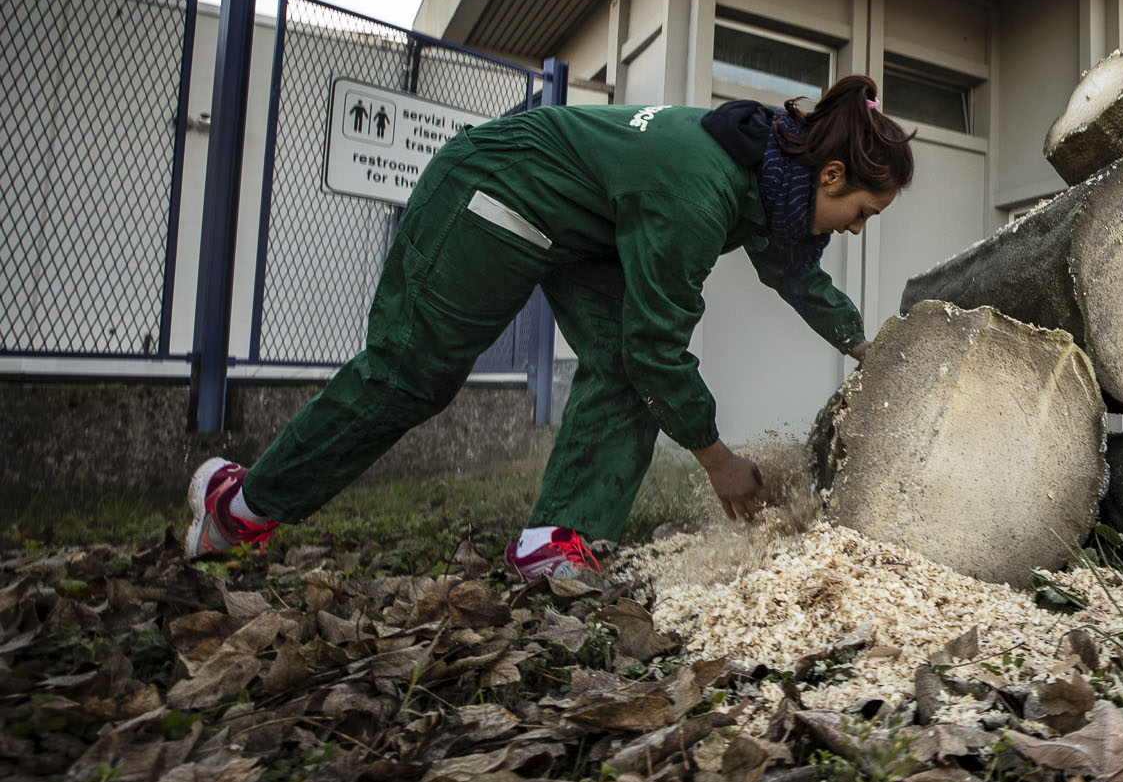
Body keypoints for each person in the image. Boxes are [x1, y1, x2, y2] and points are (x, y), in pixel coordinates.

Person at [184, 75, 914, 581]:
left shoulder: (767, 173)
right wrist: (718, 458)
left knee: (628, 370)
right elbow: (659, 345)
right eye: (861, 215)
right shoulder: (701, 188)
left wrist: (875, 350)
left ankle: (554, 540)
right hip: (494, 193)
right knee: (411, 375)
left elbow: (795, 273)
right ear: (831, 175)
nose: (854, 231)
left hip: (571, 232)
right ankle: (239, 506)